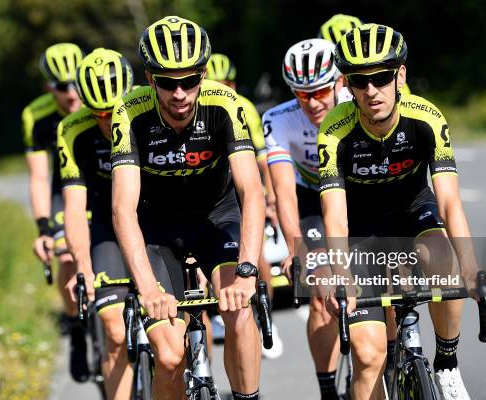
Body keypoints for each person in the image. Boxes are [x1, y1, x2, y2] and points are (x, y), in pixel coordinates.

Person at [318, 24, 486, 399]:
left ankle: (446, 362)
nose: (371, 90)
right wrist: (340, 271)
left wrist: (471, 265)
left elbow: (448, 202)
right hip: (362, 229)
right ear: (346, 84)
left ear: (400, 75)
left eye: (381, 78)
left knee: (445, 260)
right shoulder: (334, 130)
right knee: (367, 354)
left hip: (414, 211)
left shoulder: (426, 117)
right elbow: (334, 213)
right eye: (360, 82)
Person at [111, 16, 265, 400]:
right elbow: (123, 209)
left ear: (204, 75)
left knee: (239, 312)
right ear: (150, 79)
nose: (179, 93)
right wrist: (147, 288)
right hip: (157, 229)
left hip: (217, 217)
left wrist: (247, 271)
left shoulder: (225, 104)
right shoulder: (129, 112)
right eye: (167, 82)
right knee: (168, 355)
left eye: (189, 80)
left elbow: (251, 191)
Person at [262, 38, 352, 400]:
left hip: (356, 195)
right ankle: (328, 387)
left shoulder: (357, 106)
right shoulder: (278, 120)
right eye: (302, 95)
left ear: (339, 82)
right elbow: (284, 193)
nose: (312, 103)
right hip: (310, 200)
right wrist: (297, 248)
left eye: (320, 91)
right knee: (321, 290)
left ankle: (392, 357)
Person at [58, 48, 135, 399]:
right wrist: (83, 268)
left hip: (156, 219)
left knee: (178, 329)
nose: (107, 122)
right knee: (114, 330)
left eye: (113, 112)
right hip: (106, 223)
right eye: (98, 114)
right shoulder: (72, 130)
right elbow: (75, 208)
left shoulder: (148, 111)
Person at [206, 53, 284, 359]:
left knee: (258, 256)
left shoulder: (242, 107)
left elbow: (263, 158)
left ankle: (266, 314)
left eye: (223, 84)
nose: (218, 89)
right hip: (216, 192)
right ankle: (218, 309)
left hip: (245, 185)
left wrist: (271, 200)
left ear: (232, 84)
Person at [21, 42, 89, 382]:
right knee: (66, 259)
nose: (72, 92)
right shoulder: (36, 115)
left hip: (100, 185)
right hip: (64, 191)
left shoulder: (97, 100)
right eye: (63, 86)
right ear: (49, 87)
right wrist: (43, 228)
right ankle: (76, 325)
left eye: (76, 81)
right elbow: (37, 177)